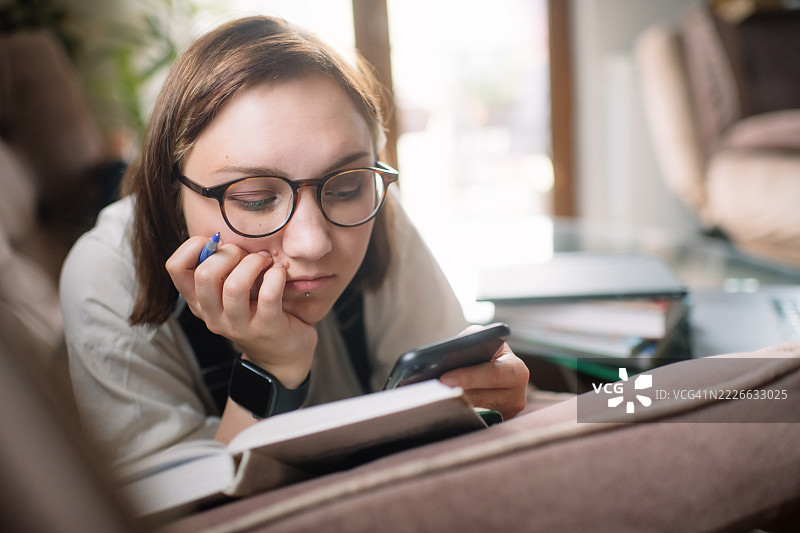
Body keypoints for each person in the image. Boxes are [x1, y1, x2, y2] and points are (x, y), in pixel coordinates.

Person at [60, 15, 529, 467]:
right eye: (256, 198)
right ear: (171, 192)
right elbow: (176, 510)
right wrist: (273, 367)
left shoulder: (379, 213)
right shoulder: (106, 274)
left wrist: (484, 390)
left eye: (344, 188)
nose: (312, 243)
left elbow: (447, 398)